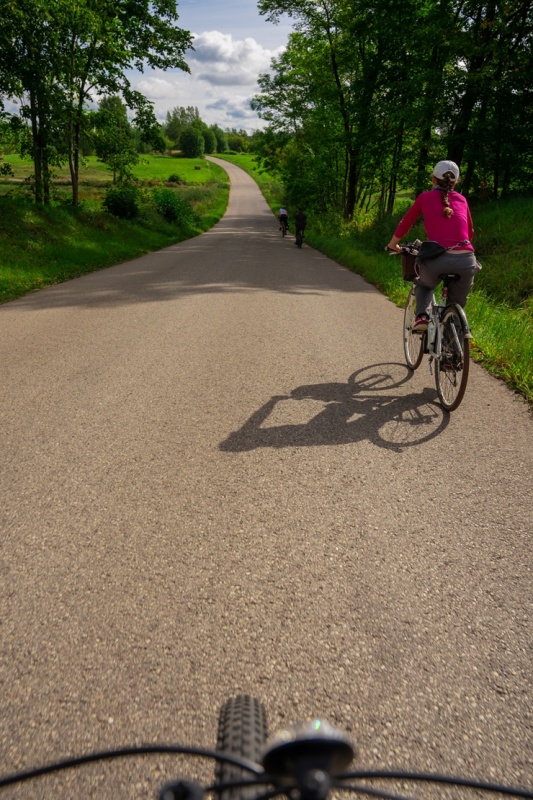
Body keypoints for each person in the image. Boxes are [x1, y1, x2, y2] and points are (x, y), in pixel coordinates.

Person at [386, 160, 477, 332]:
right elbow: (470, 232)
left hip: (437, 259)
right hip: (467, 261)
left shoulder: (425, 197)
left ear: (433, 179)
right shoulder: (462, 200)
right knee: (456, 305)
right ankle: (453, 348)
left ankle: (422, 317)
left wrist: (393, 245)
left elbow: (406, 222)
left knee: (424, 284)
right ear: (455, 182)